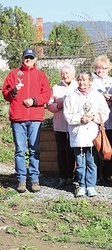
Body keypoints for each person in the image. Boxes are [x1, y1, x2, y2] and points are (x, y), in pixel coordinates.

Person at [2, 48, 51, 193]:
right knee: (20, 151)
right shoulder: (13, 74)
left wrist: (34, 100)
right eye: (26, 57)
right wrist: (14, 91)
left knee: (34, 150)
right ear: (22, 58)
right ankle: (21, 180)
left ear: (35, 60)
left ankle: (34, 179)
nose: (28, 60)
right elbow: (6, 94)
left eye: (31, 57)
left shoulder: (41, 76)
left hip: (35, 117)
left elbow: (47, 94)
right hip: (18, 117)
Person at [63, 71, 110, 197]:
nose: (81, 82)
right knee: (80, 161)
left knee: (92, 161)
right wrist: (79, 119)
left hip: (92, 133)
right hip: (77, 133)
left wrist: (93, 117)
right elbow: (67, 114)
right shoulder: (71, 96)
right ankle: (81, 185)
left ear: (90, 81)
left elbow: (105, 112)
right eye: (79, 79)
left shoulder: (97, 96)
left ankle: (91, 185)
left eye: (84, 80)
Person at [47, 63, 78, 187]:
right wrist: (59, 105)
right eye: (63, 73)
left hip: (74, 125)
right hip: (60, 124)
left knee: (71, 151)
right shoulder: (56, 87)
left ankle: (71, 176)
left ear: (73, 74)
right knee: (61, 151)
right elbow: (49, 105)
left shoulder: (77, 86)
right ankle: (63, 176)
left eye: (67, 73)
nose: (65, 76)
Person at [91, 55, 112, 184]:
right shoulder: (91, 81)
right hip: (98, 119)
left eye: (104, 68)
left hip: (111, 119)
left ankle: (108, 174)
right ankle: (97, 174)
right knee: (97, 147)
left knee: (109, 147)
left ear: (108, 69)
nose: (101, 70)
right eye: (98, 68)